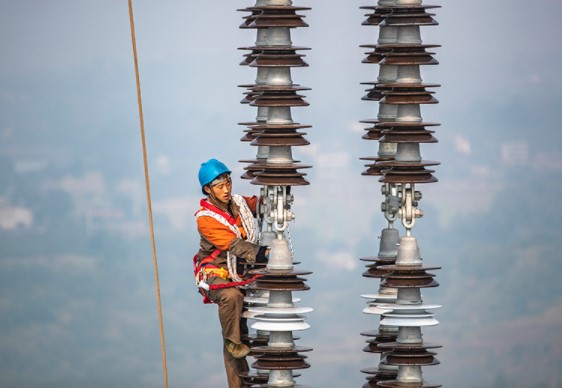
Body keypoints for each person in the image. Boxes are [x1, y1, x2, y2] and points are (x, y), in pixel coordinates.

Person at [193, 158, 269, 388]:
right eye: (220, 186)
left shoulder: (238, 203)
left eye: (228, 182)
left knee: (244, 322)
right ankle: (232, 345)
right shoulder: (205, 219)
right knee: (231, 298)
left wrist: (275, 196)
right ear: (208, 189)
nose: (226, 189)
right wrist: (266, 254)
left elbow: (257, 205)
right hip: (216, 273)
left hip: (240, 273)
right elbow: (234, 245)